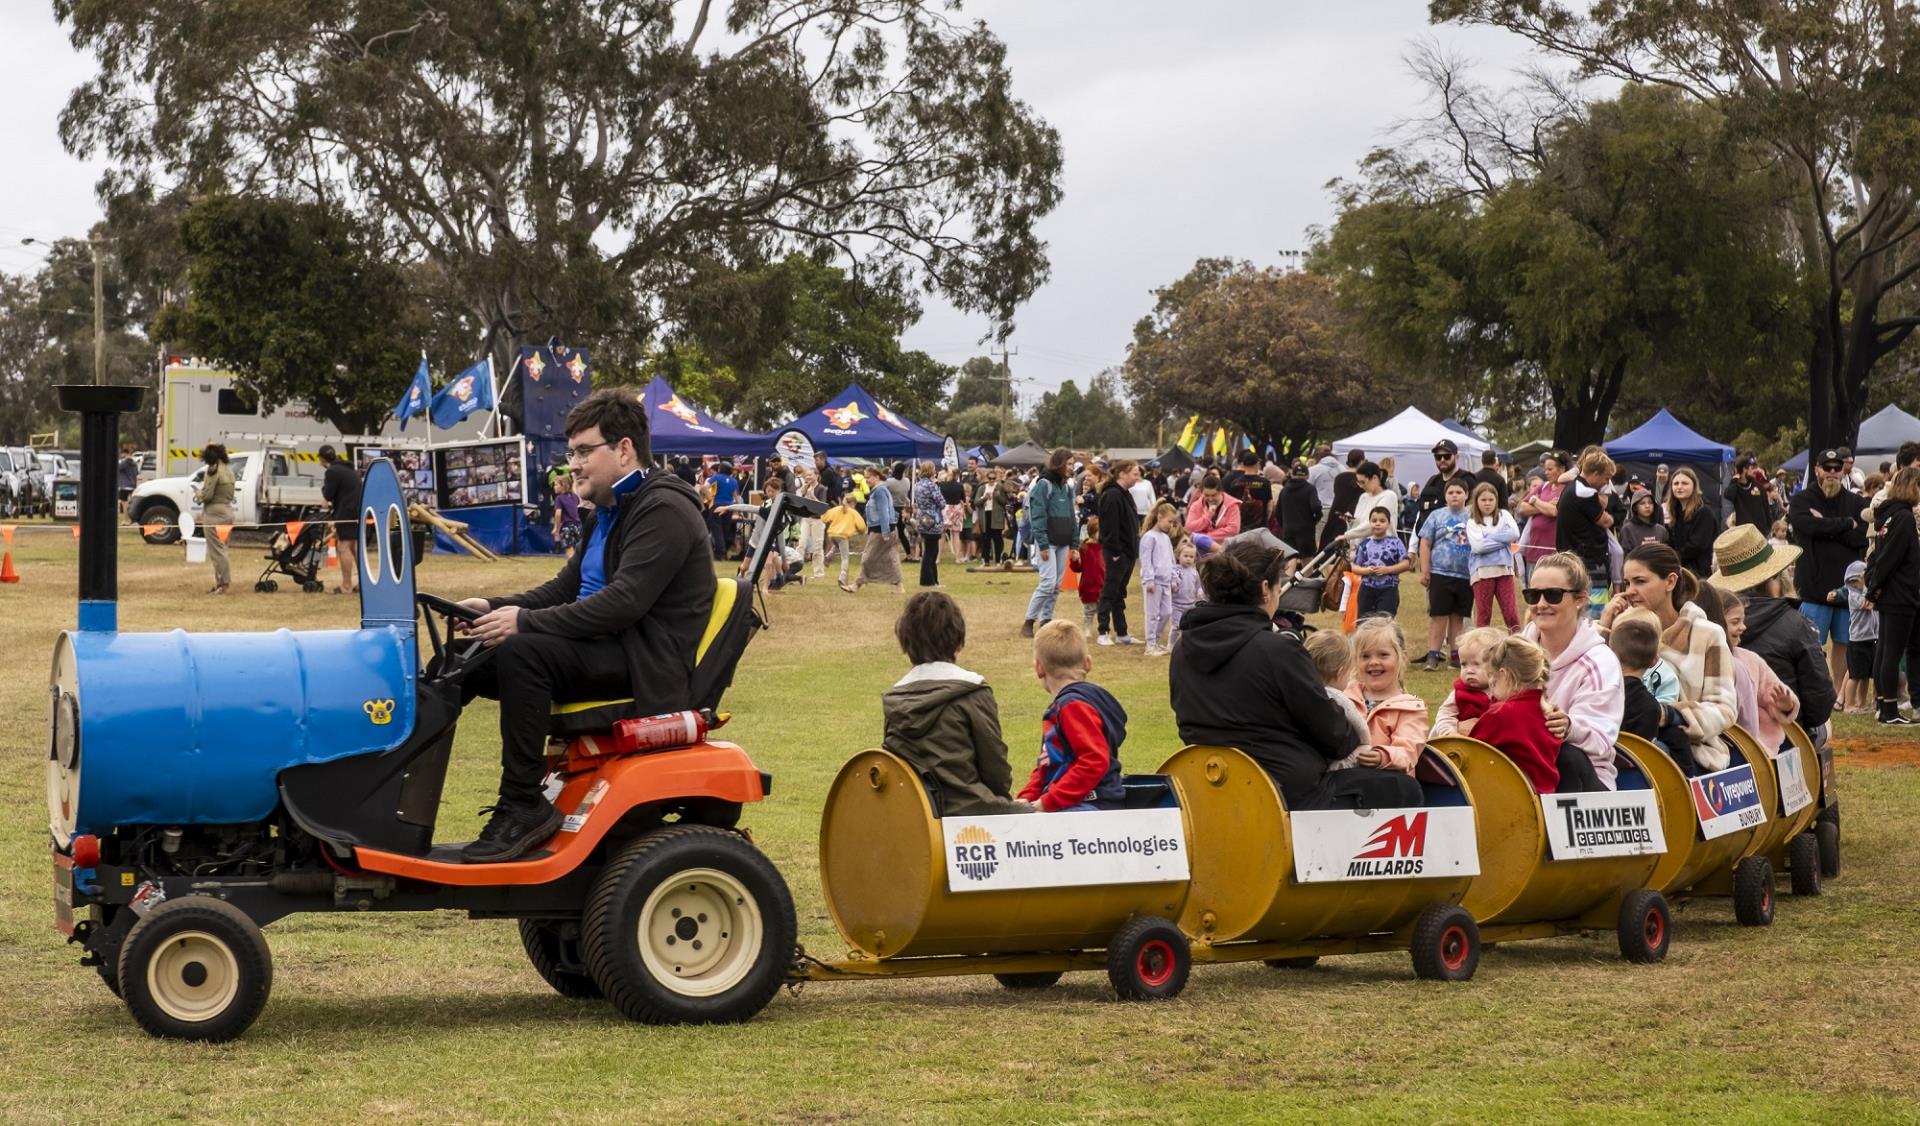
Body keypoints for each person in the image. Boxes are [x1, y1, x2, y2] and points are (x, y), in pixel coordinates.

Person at [453, 388, 712, 862]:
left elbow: (622, 604)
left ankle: (522, 804)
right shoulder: (610, 511)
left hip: (642, 661)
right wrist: (491, 607)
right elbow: (563, 590)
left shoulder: (664, 509)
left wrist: (525, 623)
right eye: (571, 452)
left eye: (583, 451)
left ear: (625, 449)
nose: (572, 464)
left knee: (521, 652)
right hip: (601, 646)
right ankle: (393, 802)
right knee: (461, 659)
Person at [1169, 539, 1424, 809]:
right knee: (1405, 789)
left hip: (1209, 782)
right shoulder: (1279, 651)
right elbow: (1334, 735)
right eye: (1280, 585)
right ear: (1266, 589)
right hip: (1285, 793)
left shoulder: (1182, 650)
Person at [881, 592, 1027, 815]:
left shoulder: (896, 700)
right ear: (958, 641)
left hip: (915, 817)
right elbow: (995, 769)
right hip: (971, 812)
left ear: (906, 643)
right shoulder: (973, 692)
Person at [1598, 543, 1739, 770]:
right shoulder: (1620, 630)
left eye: (1640, 581)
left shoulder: (1706, 634)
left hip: (1689, 754)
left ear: (1670, 582)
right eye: (1627, 583)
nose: (1629, 590)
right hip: (1616, 749)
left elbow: (1724, 708)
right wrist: (1604, 625)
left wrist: (1669, 715)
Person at [1705, 523, 1835, 732]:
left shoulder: (1707, 622)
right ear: (1772, 579)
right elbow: (1820, 703)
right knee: (1824, 728)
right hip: (1786, 734)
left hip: (1725, 735)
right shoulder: (1795, 624)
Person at [1518, 551, 1626, 790]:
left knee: (1566, 755)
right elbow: (1461, 700)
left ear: (1580, 599)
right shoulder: (1514, 650)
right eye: (1533, 595)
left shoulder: (1599, 663)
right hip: (1520, 768)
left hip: (1584, 778)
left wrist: (1569, 726)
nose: (1541, 604)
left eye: (1553, 595)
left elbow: (1600, 738)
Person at [1017, 621, 1128, 812]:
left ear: (1039, 668)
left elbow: (1093, 761)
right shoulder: (1066, 707)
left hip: (1087, 807)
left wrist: (1047, 802)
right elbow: (1048, 764)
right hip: (1070, 803)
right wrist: (1028, 797)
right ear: (1088, 663)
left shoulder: (1072, 707)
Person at [1789, 448, 1869, 699]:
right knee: (1812, 645)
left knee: (1844, 644)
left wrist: (1825, 524)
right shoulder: (1802, 499)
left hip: (1847, 590)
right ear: (1817, 470)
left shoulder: (1856, 501)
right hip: (1813, 586)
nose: (1832, 473)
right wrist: (1846, 523)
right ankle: (1814, 691)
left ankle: (1837, 693)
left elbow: (1862, 537)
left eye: (1837, 468)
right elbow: (1805, 525)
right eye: (1827, 467)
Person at [1864, 467, 1920, 724]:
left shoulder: (1888, 516)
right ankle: (1888, 709)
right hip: (1900, 593)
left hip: (1888, 592)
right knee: (1892, 652)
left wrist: (1874, 585)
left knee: (1884, 649)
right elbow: (1891, 557)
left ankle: (1881, 705)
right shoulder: (1905, 518)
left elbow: (1876, 554)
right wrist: (1874, 586)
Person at [1471, 635, 1560, 793]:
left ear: (1504, 674)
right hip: (1545, 801)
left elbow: (1470, 755)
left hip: (1511, 800)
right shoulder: (1549, 712)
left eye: (1492, 676)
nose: (1491, 685)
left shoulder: (1502, 714)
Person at [1343, 616, 1429, 777]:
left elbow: (1408, 750)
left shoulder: (1411, 708)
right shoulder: (1345, 697)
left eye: (1383, 655)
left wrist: (1383, 756)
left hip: (1391, 785)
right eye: (1365, 656)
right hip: (1347, 779)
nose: (1373, 662)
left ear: (1402, 658)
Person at [1610, 614, 1692, 767]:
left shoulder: (1599, 692)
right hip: (1639, 774)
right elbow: (1647, 753)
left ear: (1611, 655)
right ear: (1654, 660)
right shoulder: (1651, 706)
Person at [1722, 593, 1800, 751]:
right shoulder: (1702, 661)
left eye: (1743, 621)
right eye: (1735, 622)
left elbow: (1776, 692)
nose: (1743, 627)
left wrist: (1785, 705)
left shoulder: (1750, 659)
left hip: (1759, 748)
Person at [1417, 478, 1475, 670]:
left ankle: (1456, 654)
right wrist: (1425, 569)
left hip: (1465, 574)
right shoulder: (1436, 516)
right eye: (1450, 493)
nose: (1454, 496)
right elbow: (1425, 542)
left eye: (1459, 492)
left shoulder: (1474, 517)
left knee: (1458, 616)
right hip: (1440, 573)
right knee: (1438, 615)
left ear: (1466, 495)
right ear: (1445, 496)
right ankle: (1433, 654)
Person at [1022, 447, 1078, 638]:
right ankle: (1029, 621)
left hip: (1062, 542)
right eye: (1069, 464)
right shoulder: (1044, 485)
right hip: (1049, 543)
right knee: (1047, 583)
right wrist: (1043, 544)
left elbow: (1072, 517)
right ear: (1060, 464)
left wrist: (1075, 545)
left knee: (1055, 585)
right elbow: (1037, 515)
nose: (1072, 468)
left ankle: (1046, 620)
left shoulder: (1067, 487)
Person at [1555, 447, 1617, 616]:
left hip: (1571, 559)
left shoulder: (1571, 487)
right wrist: (1610, 519)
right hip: (1589, 560)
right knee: (1594, 614)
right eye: (1606, 478)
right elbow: (1605, 521)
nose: (1606, 483)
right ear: (1595, 474)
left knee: (1575, 609)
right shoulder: (1586, 493)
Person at [1304, 629, 1372, 762]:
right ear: (1341, 671)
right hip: (1336, 761)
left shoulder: (1305, 691)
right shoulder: (1338, 697)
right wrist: (1366, 742)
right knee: (1366, 750)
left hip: (1310, 754)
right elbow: (1360, 727)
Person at [1819, 560, 1877, 715]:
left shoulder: (1865, 590)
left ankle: (1861, 703)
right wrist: (1867, 586)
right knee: (1854, 675)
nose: (1855, 585)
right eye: (1851, 582)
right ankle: (1849, 704)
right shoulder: (1854, 596)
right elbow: (1869, 604)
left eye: (1856, 581)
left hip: (1871, 639)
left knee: (1865, 676)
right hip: (1857, 641)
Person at [1096, 461, 1142, 646]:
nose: (1137, 477)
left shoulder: (1124, 494)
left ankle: (1122, 632)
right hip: (1118, 553)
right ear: (1122, 474)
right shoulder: (1112, 495)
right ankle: (1103, 631)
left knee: (1119, 593)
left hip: (1128, 552)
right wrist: (1115, 551)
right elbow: (1109, 527)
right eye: (1135, 474)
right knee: (1109, 591)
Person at [1465, 482, 1522, 629]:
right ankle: (1481, 647)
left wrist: (1488, 537)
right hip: (1482, 572)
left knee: (1511, 613)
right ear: (1476, 501)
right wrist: (1503, 541)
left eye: (1491, 499)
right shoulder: (1472, 522)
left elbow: (1514, 534)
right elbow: (1478, 547)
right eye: (1483, 500)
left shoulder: (1505, 515)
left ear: (1496, 500)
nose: (1487, 503)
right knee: (1484, 615)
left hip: (1504, 570)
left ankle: (1518, 645)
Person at [1432, 626, 1502, 736]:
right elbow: (1444, 716)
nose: (1469, 670)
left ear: (1497, 665)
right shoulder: (1459, 693)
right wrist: (1450, 733)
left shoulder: (1505, 692)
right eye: (1464, 664)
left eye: (1476, 664)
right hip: (1464, 746)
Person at [847, 466, 904, 594]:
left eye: (868, 477)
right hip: (887, 528)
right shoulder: (881, 490)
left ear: (877, 477)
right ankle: (899, 586)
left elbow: (884, 512)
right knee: (890, 557)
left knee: (868, 558)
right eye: (865, 477)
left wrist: (885, 532)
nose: (866, 480)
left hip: (881, 530)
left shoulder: (879, 491)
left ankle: (857, 584)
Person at [1351, 506, 1412, 619]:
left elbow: (1406, 564)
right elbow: (1354, 566)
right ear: (1370, 523)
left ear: (1389, 524)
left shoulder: (1396, 542)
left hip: (1388, 589)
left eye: (1382, 521)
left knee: (1384, 622)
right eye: (1374, 521)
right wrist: (1366, 571)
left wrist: (1387, 570)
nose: (1378, 524)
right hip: (1366, 589)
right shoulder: (1364, 544)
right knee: (1364, 623)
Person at [318, 444, 361, 596]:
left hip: (347, 513)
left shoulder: (332, 471)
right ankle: (364, 584)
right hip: (358, 511)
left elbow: (328, 494)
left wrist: (324, 493)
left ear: (322, 459)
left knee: (343, 547)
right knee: (355, 548)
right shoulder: (348, 468)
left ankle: (346, 586)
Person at [1515, 451, 1565, 577]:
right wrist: (1545, 504)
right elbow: (1522, 507)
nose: (1546, 472)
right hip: (1534, 550)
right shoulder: (1544, 486)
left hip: (1554, 553)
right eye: (1545, 469)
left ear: (1561, 469)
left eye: (1550, 469)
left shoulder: (1567, 488)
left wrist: (1535, 501)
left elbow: (1554, 511)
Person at [196, 443, 237, 596]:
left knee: (216, 551)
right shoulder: (228, 470)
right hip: (227, 511)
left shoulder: (213, 471)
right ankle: (221, 582)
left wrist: (198, 494)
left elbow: (207, 495)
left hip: (214, 513)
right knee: (223, 548)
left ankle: (223, 583)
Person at [1138, 499, 1179, 651]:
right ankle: (1150, 645)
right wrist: (1149, 579)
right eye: (1169, 521)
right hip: (1153, 582)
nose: (1171, 525)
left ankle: (1156, 640)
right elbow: (1146, 560)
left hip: (1166, 581)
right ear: (1160, 517)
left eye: (1173, 522)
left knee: (1167, 612)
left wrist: (1174, 578)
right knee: (1152, 614)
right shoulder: (1149, 537)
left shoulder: (1166, 538)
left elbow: (1171, 559)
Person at [1665, 467, 1716, 575]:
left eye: (1684, 483)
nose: (1679, 487)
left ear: (1694, 486)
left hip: (1699, 574)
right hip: (1680, 571)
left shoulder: (1704, 512)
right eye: (1676, 483)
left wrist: (1672, 559)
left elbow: (1697, 545)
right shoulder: (1675, 512)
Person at [1415, 439, 1476, 527]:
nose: (1442, 460)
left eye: (1447, 456)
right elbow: (1421, 507)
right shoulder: (1433, 480)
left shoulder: (1467, 480)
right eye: (1438, 457)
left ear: (1457, 457)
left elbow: (1473, 511)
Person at [1341, 461, 1399, 540]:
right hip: (1361, 548)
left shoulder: (1389, 496)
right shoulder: (1363, 497)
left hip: (1382, 548)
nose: (1361, 486)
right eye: (1359, 483)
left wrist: (1347, 535)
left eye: (1363, 482)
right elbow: (1359, 523)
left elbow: (1373, 524)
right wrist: (1351, 521)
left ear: (1374, 478)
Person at [1322, 448, 1366, 549]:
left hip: (1336, 512)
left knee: (1330, 546)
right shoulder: (1360, 480)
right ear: (1362, 461)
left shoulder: (1339, 478)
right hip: (1351, 515)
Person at [1276, 460, 1322, 556]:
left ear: (1292, 475)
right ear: (1307, 476)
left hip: (1288, 530)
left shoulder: (1284, 490)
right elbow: (1316, 507)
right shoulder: (1310, 489)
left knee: (1290, 558)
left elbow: (1277, 512)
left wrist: (1284, 525)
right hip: (1305, 531)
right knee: (1307, 559)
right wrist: (1315, 520)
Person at [1070, 516, 1105, 636]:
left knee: (1103, 610)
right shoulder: (1085, 548)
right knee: (1089, 610)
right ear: (1093, 531)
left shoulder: (1104, 548)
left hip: (1102, 584)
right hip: (1088, 585)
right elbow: (1077, 568)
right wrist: (1075, 560)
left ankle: (1103, 630)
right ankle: (1087, 628)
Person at [911, 461, 944, 589]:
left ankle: (933, 580)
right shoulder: (932, 485)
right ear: (931, 470)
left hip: (922, 518)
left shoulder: (918, 485)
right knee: (931, 552)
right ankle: (928, 581)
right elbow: (941, 502)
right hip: (933, 519)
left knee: (928, 549)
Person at [821, 492, 866, 585]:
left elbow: (824, 518)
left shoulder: (836, 509)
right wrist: (860, 531)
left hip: (832, 535)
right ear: (853, 504)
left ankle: (829, 556)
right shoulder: (854, 513)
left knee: (837, 545)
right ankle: (843, 576)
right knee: (845, 557)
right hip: (843, 535)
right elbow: (862, 527)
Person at [1185, 472, 1243, 540]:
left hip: (1224, 546)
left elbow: (1233, 529)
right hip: (1200, 547)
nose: (1210, 499)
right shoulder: (1196, 505)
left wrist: (1205, 536)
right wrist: (1208, 516)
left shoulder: (1232, 505)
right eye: (1206, 495)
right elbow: (1189, 527)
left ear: (1221, 492)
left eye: (1213, 495)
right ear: (1202, 492)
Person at [1168, 541, 1202, 652]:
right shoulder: (1175, 570)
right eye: (1185, 556)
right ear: (1179, 555)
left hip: (1190, 605)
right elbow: (1171, 580)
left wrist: (1200, 593)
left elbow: (1198, 585)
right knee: (1176, 626)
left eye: (1191, 557)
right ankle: (1171, 644)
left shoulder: (1194, 572)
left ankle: (1186, 644)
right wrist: (1173, 585)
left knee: (1189, 626)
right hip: (1176, 605)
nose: (1188, 559)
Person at [704, 461, 742, 559]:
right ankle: (725, 551)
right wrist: (739, 510)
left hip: (716, 506)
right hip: (729, 507)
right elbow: (736, 497)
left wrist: (709, 498)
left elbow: (704, 487)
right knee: (725, 529)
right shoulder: (734, 481)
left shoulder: (716, 477)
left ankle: (720, 552)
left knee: (717, 529)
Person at [975, 469, 1011, 565]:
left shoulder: (1000, 487)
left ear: (996, 479)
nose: (991, 480)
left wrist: (998, 496)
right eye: (990, 478)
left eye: (993, 478)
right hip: (985, 515)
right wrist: (985, 498)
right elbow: (976, 502)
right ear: (987, 478)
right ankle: (985, 560)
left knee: (997, 538)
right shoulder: (982, 488)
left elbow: (1005, 502)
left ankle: (998, 560)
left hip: (996, 516)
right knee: (986, 539)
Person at [1728, 456, 1773, 531]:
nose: (1756, 471)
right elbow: (1728, 495)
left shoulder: (1759, 487)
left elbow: (1766, 510)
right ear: (1744, 469)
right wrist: (1735, 480)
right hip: (1744, 533)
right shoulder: (1735, 486)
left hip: (1760, 533)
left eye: (1756, 468)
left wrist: (1769, 528)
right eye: (1752, 468)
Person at [1619, 488, 1668, 554]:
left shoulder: (1661, 530)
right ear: (1635, 507)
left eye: (1650, 503)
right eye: (1642, 503)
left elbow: (1666, 554)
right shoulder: (1627, 530)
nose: (1647, 506)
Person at [550, 468, 583, 559]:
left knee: (569, 551)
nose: (554, 487)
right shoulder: (575, 497)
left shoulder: (559, 498)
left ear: (563, 486)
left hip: (567, 527)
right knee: (579, 551)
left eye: (556, 485)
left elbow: (558, 514)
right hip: (578, 526)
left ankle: (573, 571)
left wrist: (556, 528)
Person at [116, 443, 137, 514]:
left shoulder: (125, 462)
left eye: (121, 454)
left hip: (124, 486)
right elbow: (137, 472)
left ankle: (126, 519)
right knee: (130, 503)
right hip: (132, 485)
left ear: (124, 453)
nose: (121, 456)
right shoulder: (134, 463)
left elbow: (117, 468)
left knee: (124, 503)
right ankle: (130, 518)